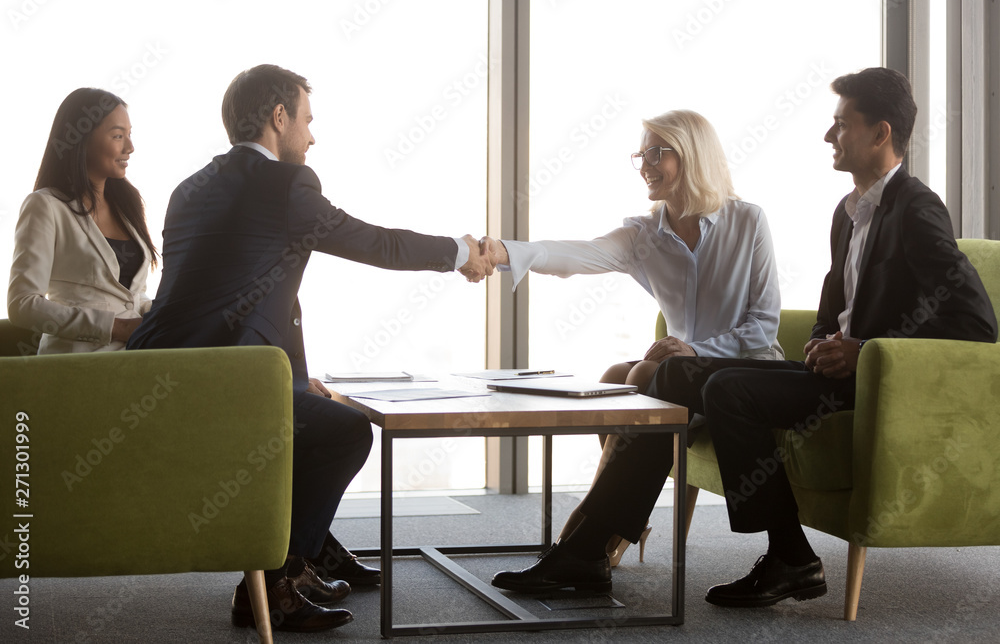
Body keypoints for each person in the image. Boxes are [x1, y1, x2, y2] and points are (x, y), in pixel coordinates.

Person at [492, 67, 998, 604]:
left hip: (874, 383)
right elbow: (838, 307)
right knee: (675, 374)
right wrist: (824, 339)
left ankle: (783, 555)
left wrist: (864, 352)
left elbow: (974, 322)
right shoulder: (848, 214)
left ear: (881, 133)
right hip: (828, 371)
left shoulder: (916, 209)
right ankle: (593, 549)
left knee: (727, 390)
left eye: (841, 124)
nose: (830, 136)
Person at [127, 64, 496, 632]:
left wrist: (295, 382)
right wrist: (459, 250)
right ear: (279, 117)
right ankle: (277, 581)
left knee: (312, 416)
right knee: (346, 432)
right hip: (224, 386)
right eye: (307, 119)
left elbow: (238, 295)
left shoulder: (189, 188)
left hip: (155, 375)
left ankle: (306, 559)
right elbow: (373, 242)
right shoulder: (287, 185)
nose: (312, 136)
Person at [484, 109, 783, 591]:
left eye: (655, 152)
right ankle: (601, 536)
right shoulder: (646, 235)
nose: (644, 164)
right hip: (681, 376)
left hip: (743, 375)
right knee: (613, 377)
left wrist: (693, 348)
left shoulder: (748, 222)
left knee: (644, 375)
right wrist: (502, 253)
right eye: (640, 154)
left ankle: (587, 539)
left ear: (690, 155)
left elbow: (763, 328)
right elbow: (573, 253)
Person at [8, 88, 157, 353]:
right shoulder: (45, 206)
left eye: (129, 135)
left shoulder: (128, 206)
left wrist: (154, 311)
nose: (130, 147)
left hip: (134, 359)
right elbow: (23, 304)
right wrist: (116, 327)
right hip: (74, 366)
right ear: (81, 139)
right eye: (118, 136)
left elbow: (130, 296)